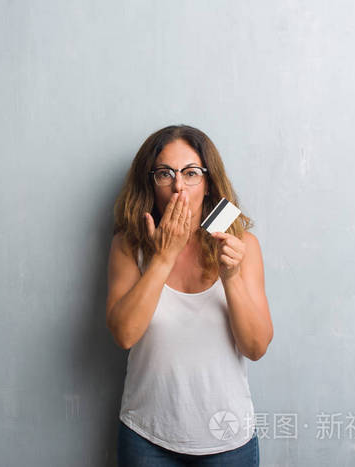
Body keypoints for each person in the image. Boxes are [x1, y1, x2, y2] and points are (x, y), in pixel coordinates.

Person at [106, 124, 273, 466]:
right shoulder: (129, 244)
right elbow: (124, 335)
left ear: (208, 182)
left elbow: (256, 347)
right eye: (165, 174)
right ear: (149, 183)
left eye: (191, 173)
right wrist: (164, 257)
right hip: (146, 437)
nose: (178, 186)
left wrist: (232, 278)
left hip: (228, 440)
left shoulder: (242, 245)